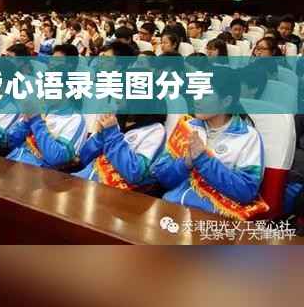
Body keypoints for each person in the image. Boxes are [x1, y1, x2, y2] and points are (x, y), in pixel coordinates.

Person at [152, 67, 266, 219]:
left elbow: (246, 192)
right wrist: (186, 163)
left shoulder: (247, 137)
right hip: (173, 208)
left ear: (226, 101)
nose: (196, 99)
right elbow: (161, 176)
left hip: (214, 218)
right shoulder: (188, 126)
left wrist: (203, 160)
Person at [6, 44, 87, 169]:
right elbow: (10, 141)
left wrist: (36, 121)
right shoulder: (43, 108)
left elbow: (56, 157)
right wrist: (25, 123)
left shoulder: (75, 119)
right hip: (13, 161)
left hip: (38, 174)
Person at [74, 108, 166, 190]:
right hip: (84, 179)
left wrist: (112, 133)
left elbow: (133, 173)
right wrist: (100, 136)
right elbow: (84, 158)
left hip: (112, 193)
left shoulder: (156, 131)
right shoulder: (116, 119)